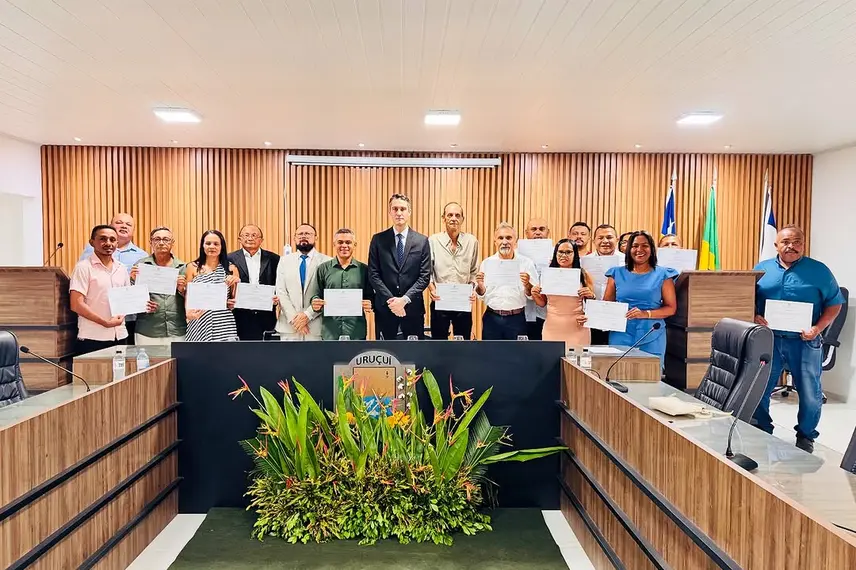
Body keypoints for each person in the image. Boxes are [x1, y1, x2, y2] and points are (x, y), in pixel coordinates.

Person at [752, 225, 844, 454]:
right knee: (759, 388)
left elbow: (835, 304)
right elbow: (748, 299)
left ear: (803, 244)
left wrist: (817, 328)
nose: (791, 246)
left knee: (811, 393)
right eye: (785, 242)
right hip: (769, 341)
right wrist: (754, 315)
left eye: (797, 242)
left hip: (805, 342)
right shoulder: (761, 270)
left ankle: (805, 436)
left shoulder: (819, 271)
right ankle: (762, 428)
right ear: (776, 245)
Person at [70, 225, 154, 354]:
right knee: (91, 375)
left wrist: (144, 305)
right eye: (103, 239)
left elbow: (127, 300)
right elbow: (76, 304)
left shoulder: (121, 268)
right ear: (92, 242)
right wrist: (104, 322)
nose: (108, 243)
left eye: (112, 240)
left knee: (120, 374)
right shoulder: (83, 268)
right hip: (92, 337)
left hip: (120, 336)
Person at [603, 231, 677, 364]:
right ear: (628, 248)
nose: (639, 250)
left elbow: (671, 308)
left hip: (652, 334)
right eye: (635, 246)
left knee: (650, 379)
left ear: (652, 249)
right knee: (618, 378)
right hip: (621, 334)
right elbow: (607, 306)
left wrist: (645, 314)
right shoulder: (616, 273)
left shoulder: (664, 274)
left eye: (645, 245)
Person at [368, 194, 431, 340]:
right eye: (395, 209)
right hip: (385, 309)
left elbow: (424, 276)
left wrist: (404, 300)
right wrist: (392, 301)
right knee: (386, 356)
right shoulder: (378, 240)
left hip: (412, 308)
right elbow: (373, 274)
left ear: (409, 212)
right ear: (390, 212)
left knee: (414, 357)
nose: (399, 213)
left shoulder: (422, 241)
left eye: (402, 209)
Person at [79, 213, 147, 343]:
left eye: (128, 224)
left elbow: (142, 289)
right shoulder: (89, 251)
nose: (123, 226)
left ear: (133, 230)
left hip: (127, 320)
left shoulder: (142, 255)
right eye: (119, 222)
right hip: (95, 321)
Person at [475, 223, 539, 340]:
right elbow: (482, 295)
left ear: (515, 241)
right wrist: (480, 286)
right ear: (495, 242)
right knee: (490, 356)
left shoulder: (526, 263)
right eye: (500, 238)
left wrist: (527, 284)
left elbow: (533, 295)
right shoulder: (487, 263)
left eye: (509, 238)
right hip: (492, 318)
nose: (505, 242)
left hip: (517, 319)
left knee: (517, 357)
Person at [311, 229, 374, 340]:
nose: (344, 245)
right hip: (330, 331)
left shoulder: (364, 270)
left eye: (348, 242)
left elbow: (370, 297)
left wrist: (370, 303)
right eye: (340, 242)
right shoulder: (323, 268)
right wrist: (315, 302)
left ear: (355, 245)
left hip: (356, 332)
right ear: (334, 244)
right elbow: (316, 294)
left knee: (355, 358)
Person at [531, 240, 595, 350]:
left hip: (577, 326)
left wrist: (591, 295)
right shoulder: (548, 274)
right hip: (552, 326)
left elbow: (592, 305)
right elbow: (542, 303)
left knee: (577, 362)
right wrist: (534, 293)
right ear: (555, 254)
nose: (564, 255)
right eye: (560, 252)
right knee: (551, 362)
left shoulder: (583, 274)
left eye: (568, 252)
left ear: (575, 254)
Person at [428, 203, 478, 339]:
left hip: (463, 301)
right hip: (440, 300)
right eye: (450, 215)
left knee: (463, 345)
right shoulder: (433, 241)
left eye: (457, 215)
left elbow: (474, 271)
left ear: (462, 219)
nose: (453, 218)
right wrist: (432, 289)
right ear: (443, 218)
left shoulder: (472, 241)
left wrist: (473, 289)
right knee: (438, 344)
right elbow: (428, 272)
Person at [131, 227, 188, 345]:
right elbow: (130, 299)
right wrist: (132, 279)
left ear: (172, 243)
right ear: (150, 242)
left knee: (177, 363)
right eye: (157, 239)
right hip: (147, 329)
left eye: (166, 239)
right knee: (147, 363)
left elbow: (192, 300)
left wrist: (182, 290)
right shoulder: (140, 266)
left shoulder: (184, 267)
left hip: (177, 329)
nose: (161, 242)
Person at [275, 224, 331, 340]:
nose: (303, 236)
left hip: (315, 327)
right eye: (300, 234)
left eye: (308, 234)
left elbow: (326, 295)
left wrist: (307, 315)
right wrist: (295, 319)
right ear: (295, 238)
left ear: (316, 237)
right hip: (289, 326)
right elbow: (281, 292)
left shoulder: (327, 262)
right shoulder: (284, 261)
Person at [184, 230, 240, 342]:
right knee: (199, 356)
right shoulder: (192, 267)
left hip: (223, 322)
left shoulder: (231, 269)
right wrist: (188, 314)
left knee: (225, 357)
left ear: (221, 246)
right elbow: (188, 295)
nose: (212, 247)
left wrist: (236, 282)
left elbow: (235, 300)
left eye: (216, 244)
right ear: (202, 245)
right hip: (199, 319)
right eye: (208, 243)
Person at [228, 225, 281, 340]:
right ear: (239, 239)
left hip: (266, 315)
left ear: (261, 240)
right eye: (246, 235)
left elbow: (279, 283)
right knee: (240, 354)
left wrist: (277, 298)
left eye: (254, 235)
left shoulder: (274, 259)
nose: (250, 238)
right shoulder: (229, 259)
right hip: (239, 315)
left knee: (266, 354)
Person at [521, 218, 550, 340]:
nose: (538, 232)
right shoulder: (516, 254)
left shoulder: (557, 254)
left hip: (547, 315)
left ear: (548, 232)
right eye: (533, 229)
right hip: (522, 313)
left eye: (541, 229)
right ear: (526, 232)